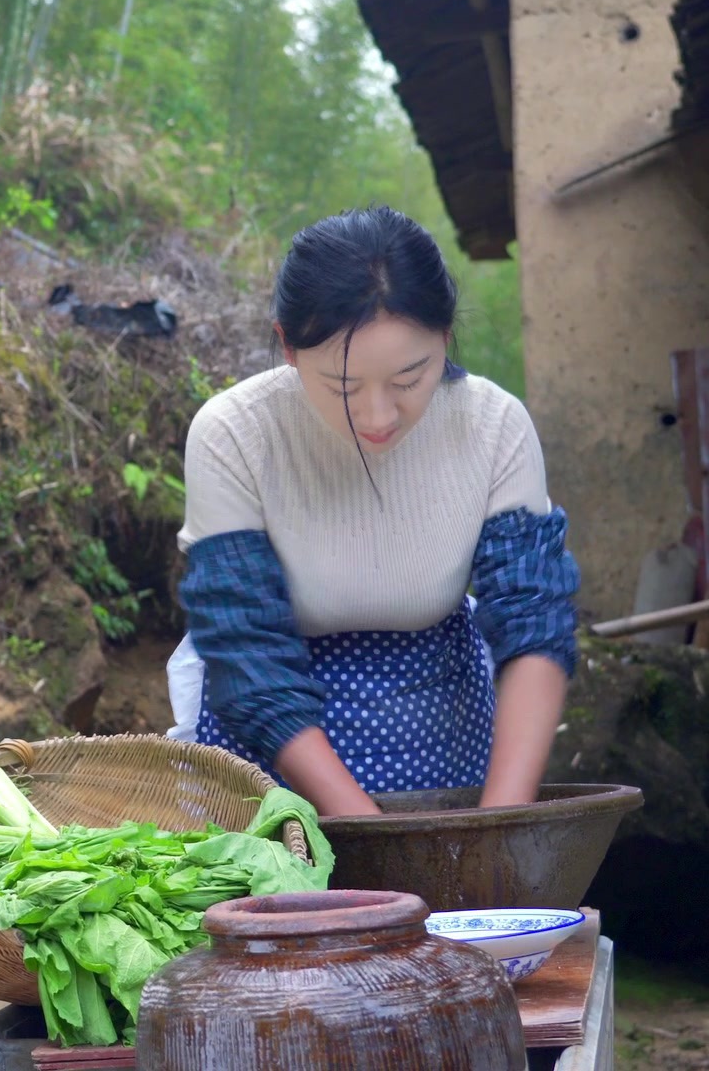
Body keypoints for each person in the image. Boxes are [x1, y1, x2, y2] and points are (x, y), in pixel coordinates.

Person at [164, 205, 581, 818]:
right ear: (287, 346)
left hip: (438, 723)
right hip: (268, 737)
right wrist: (369, 834)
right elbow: (246, 650)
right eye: (343, 387)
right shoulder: (235, 433)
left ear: (444, 337)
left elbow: (534, 623)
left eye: (410, 379)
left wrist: (501, 826)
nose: (380, 417)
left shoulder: (492, 426)